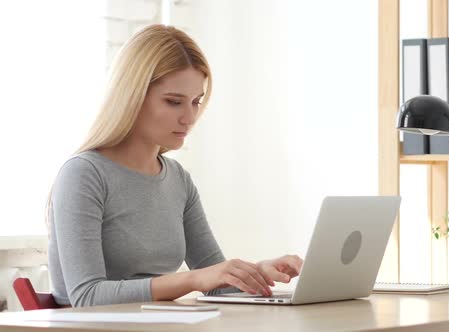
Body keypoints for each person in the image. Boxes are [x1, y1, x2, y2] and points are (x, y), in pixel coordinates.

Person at [48, 24, 303, 307]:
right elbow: (86, 297)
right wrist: (192, 280)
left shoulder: (177, 179)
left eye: (196, 102)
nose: (189, 117)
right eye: (173, 102)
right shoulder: (83, 174)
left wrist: (255, 274)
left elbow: (216, 284)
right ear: (132, 96)